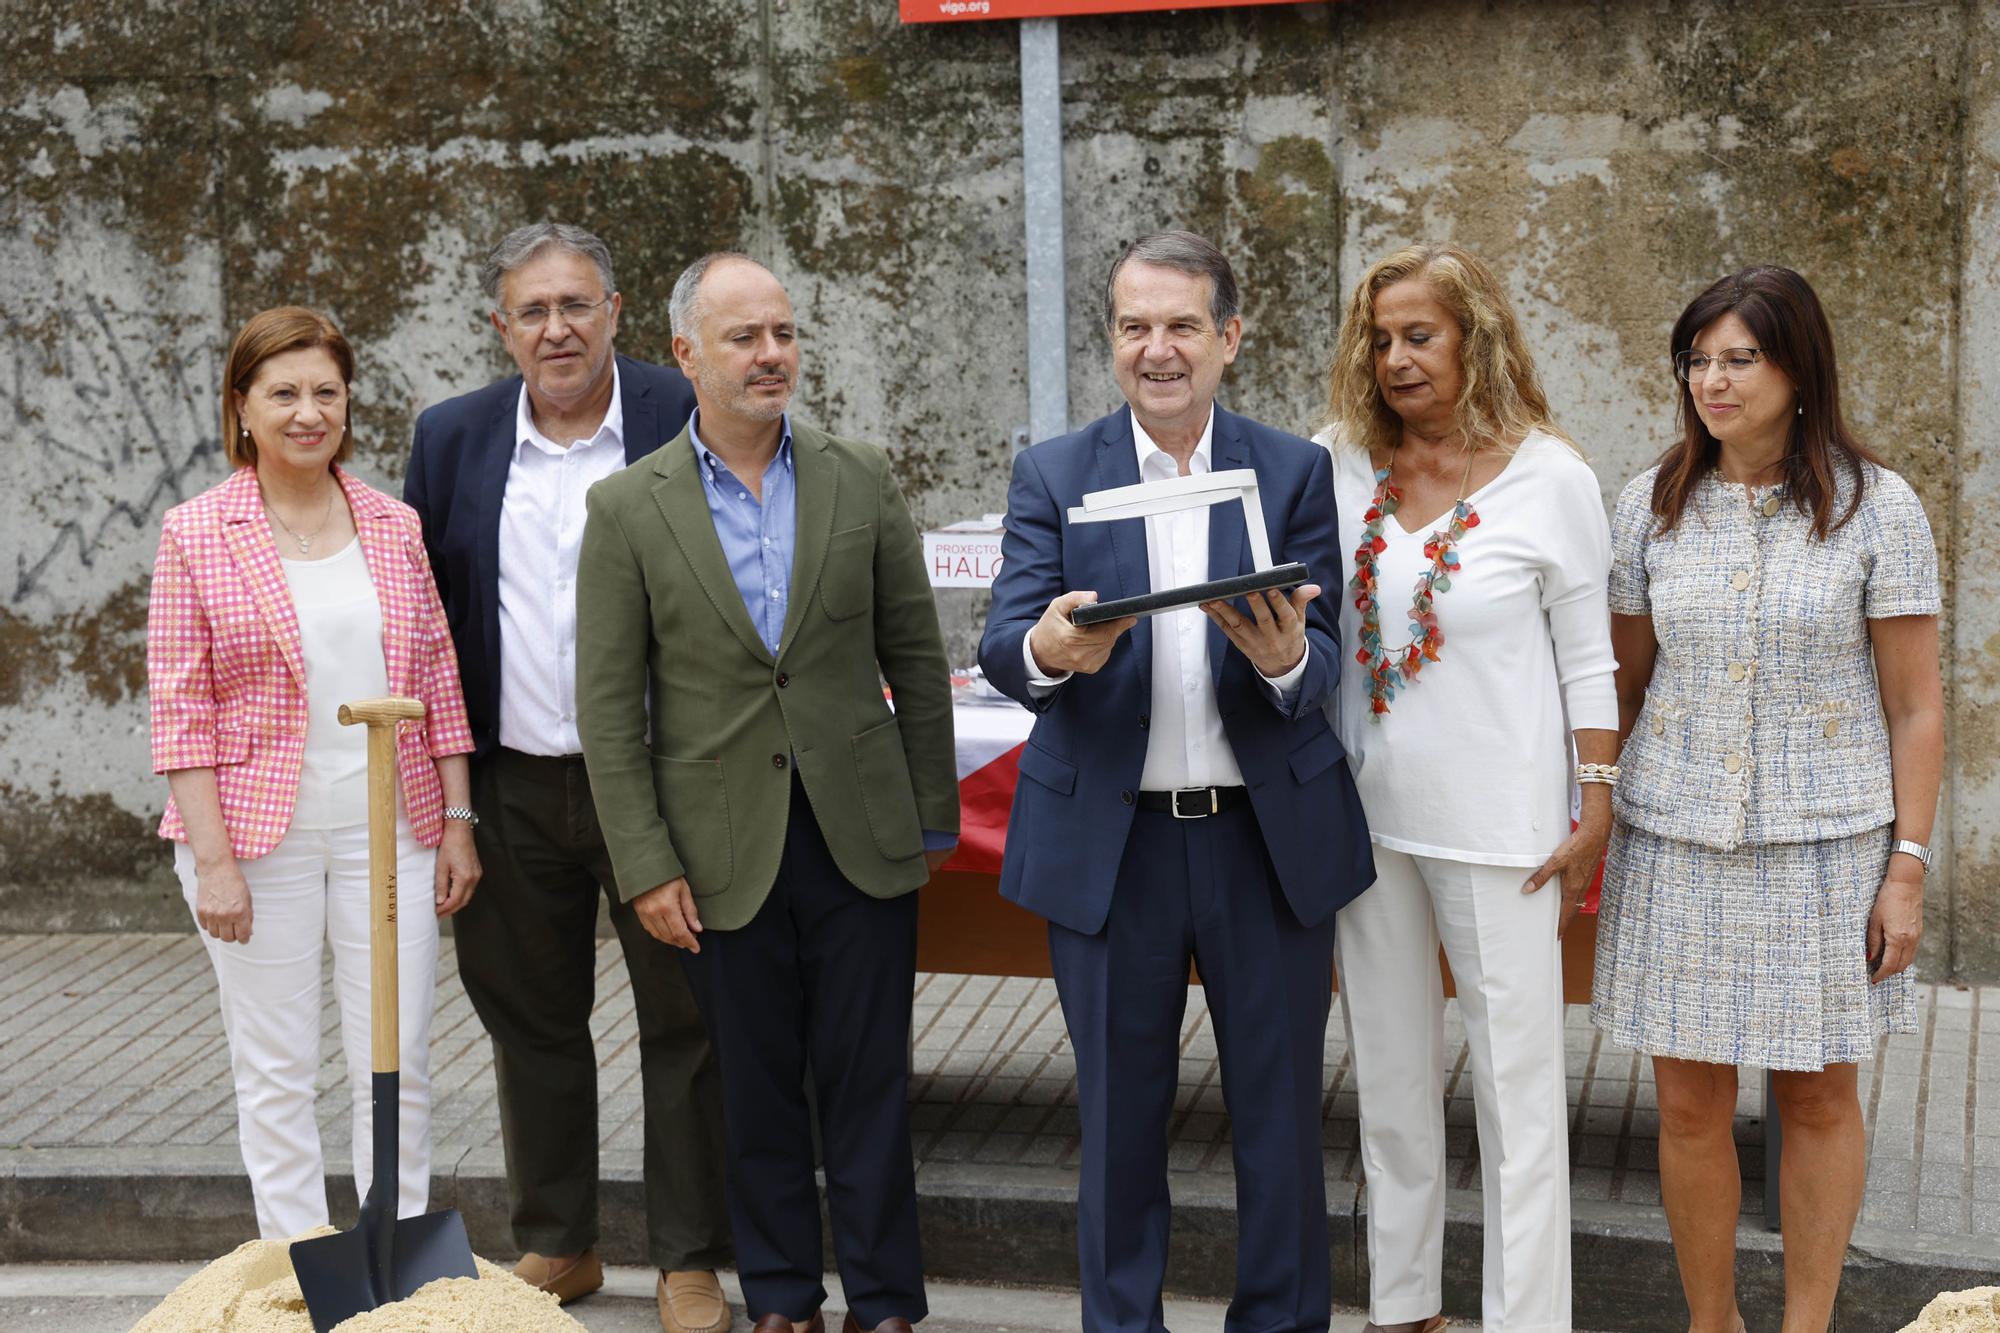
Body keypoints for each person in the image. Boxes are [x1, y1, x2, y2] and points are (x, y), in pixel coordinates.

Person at [978, 230, 1374, 1333]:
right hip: (1116, 846)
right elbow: (1005, 641)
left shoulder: (1290, 468)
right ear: (1111, 339)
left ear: (1228, 338)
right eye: (1134, 326)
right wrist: (1052, 652)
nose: (1157, 349)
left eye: (1181, 326)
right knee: (1115, 1120)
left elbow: (1326, 657)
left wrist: (1283, 657)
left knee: (1280, 1118)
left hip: (1262, 840)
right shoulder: (1054, 472)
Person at [575, 252, 957, 1333]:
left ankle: (884, 1303)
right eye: (744, 338)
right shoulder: (627, 508)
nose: (771, 355)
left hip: (861, 835)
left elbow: (915, 659)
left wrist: (930, 813)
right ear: (686, 353)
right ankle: (783, 1296)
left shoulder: (858, 475)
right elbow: (608, 710)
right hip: (715, 848)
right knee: (751, 1089)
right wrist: (644, 862)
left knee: (869, 1081)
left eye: (783, 333)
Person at [1592, 265, 1943, 1333]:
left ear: (1797, 368)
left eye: (1738, 357)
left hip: (1825, 848)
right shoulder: (1649, 503)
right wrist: (1592, 815)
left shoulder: (1878, 508)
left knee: (1816, 1097)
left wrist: (1906, 871)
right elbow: (1622, 683)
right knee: (1689, 1105)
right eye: (1696, 359)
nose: (1712, 379)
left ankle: (1803, 1324)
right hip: (1675, 842)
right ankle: (1712, 1323)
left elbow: (1915, 708)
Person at [403, 222, 732, 1333]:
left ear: (617, 311)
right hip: (508, 782)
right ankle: (560, 1240)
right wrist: (444, 799)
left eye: (576, 305)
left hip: (663, 780)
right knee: (528, 1017)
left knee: (687, 1021)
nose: (556, 329)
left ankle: (689, 1256)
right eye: (532, 311)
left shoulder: (683, 416)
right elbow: (432, 628)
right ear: (501, 327)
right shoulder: (449, 440)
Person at [1315, 242, 1617, 1333]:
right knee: (1390, 1084)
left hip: (1503, 831)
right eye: (1380, 338)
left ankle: (1523, 1321)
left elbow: (1589, 657)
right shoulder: (1340, 464)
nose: (1396, 358)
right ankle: (1400, 1309)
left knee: (1518, 1101)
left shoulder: (1551, 475)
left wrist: (1595, 802)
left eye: (1419, 335)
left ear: (1473, 335)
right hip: (1365, 823)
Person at [147, 305, 480, 1240]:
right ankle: (296, 1257)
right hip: (257, 838)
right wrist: (213, 862)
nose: (307, 411)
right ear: (242, 407)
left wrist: (459, 821)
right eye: (283, 392)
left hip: (395, 832)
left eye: (325, 391)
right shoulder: (196, 532)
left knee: (398, 1053)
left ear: (347, 404)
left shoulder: (392, 522)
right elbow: (180, 710)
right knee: (277, 1062)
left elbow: (438, 680)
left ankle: (396, 1250)